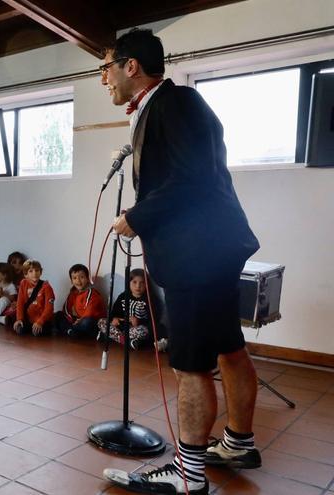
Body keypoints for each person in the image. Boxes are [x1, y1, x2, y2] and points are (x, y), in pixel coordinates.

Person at [99, 29, 261, 495]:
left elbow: (191, 180)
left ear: (131, 66)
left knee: (190, 363)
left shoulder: (177, 103)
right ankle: (238, 442)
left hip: (198, 253)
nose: (104, 80)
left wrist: (136, 216)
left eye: (106, 69)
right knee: (228, 346)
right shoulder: (164, 107)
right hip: (210, 249)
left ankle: (188, 477)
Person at [97, 269, 158, 349]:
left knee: (144, 331)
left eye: (142, 283)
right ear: (128, 283)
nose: (138, 286)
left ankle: (109, 336)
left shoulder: (150, 299)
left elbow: (154, 321)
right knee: (101, 322)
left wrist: (139, 321)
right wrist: (115, 319)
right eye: (134, 282)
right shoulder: (123, 296)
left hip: (136, 329)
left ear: (147, 284)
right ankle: (128, 342)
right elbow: (113, 314)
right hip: (121, 326)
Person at [54, 263, 106, 338]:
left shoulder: (92, 292)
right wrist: (72, 320)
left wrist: (80, 320)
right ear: (71, 281)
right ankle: (72, 331)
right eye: (74, 278)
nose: (78, 281)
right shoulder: (73, 293)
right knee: (57, 315)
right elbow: (66, 309)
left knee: (87, 322)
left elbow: (90, 311)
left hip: (90, 320)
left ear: (87, 278)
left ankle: (70, 331)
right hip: (77, 320)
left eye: (82, 277)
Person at [13, 259, 54, 336]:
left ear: (40, 272)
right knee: (19, 329)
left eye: (37, 270)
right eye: (31, 271)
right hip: (28, 320)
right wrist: (19, 319)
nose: (34, 273)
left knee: (37, 332)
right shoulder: (23, 283)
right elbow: (20, 303)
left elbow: (49, 308)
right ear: (25, 274)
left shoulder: (46, 287)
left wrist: (40, 322)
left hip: (42, 320)